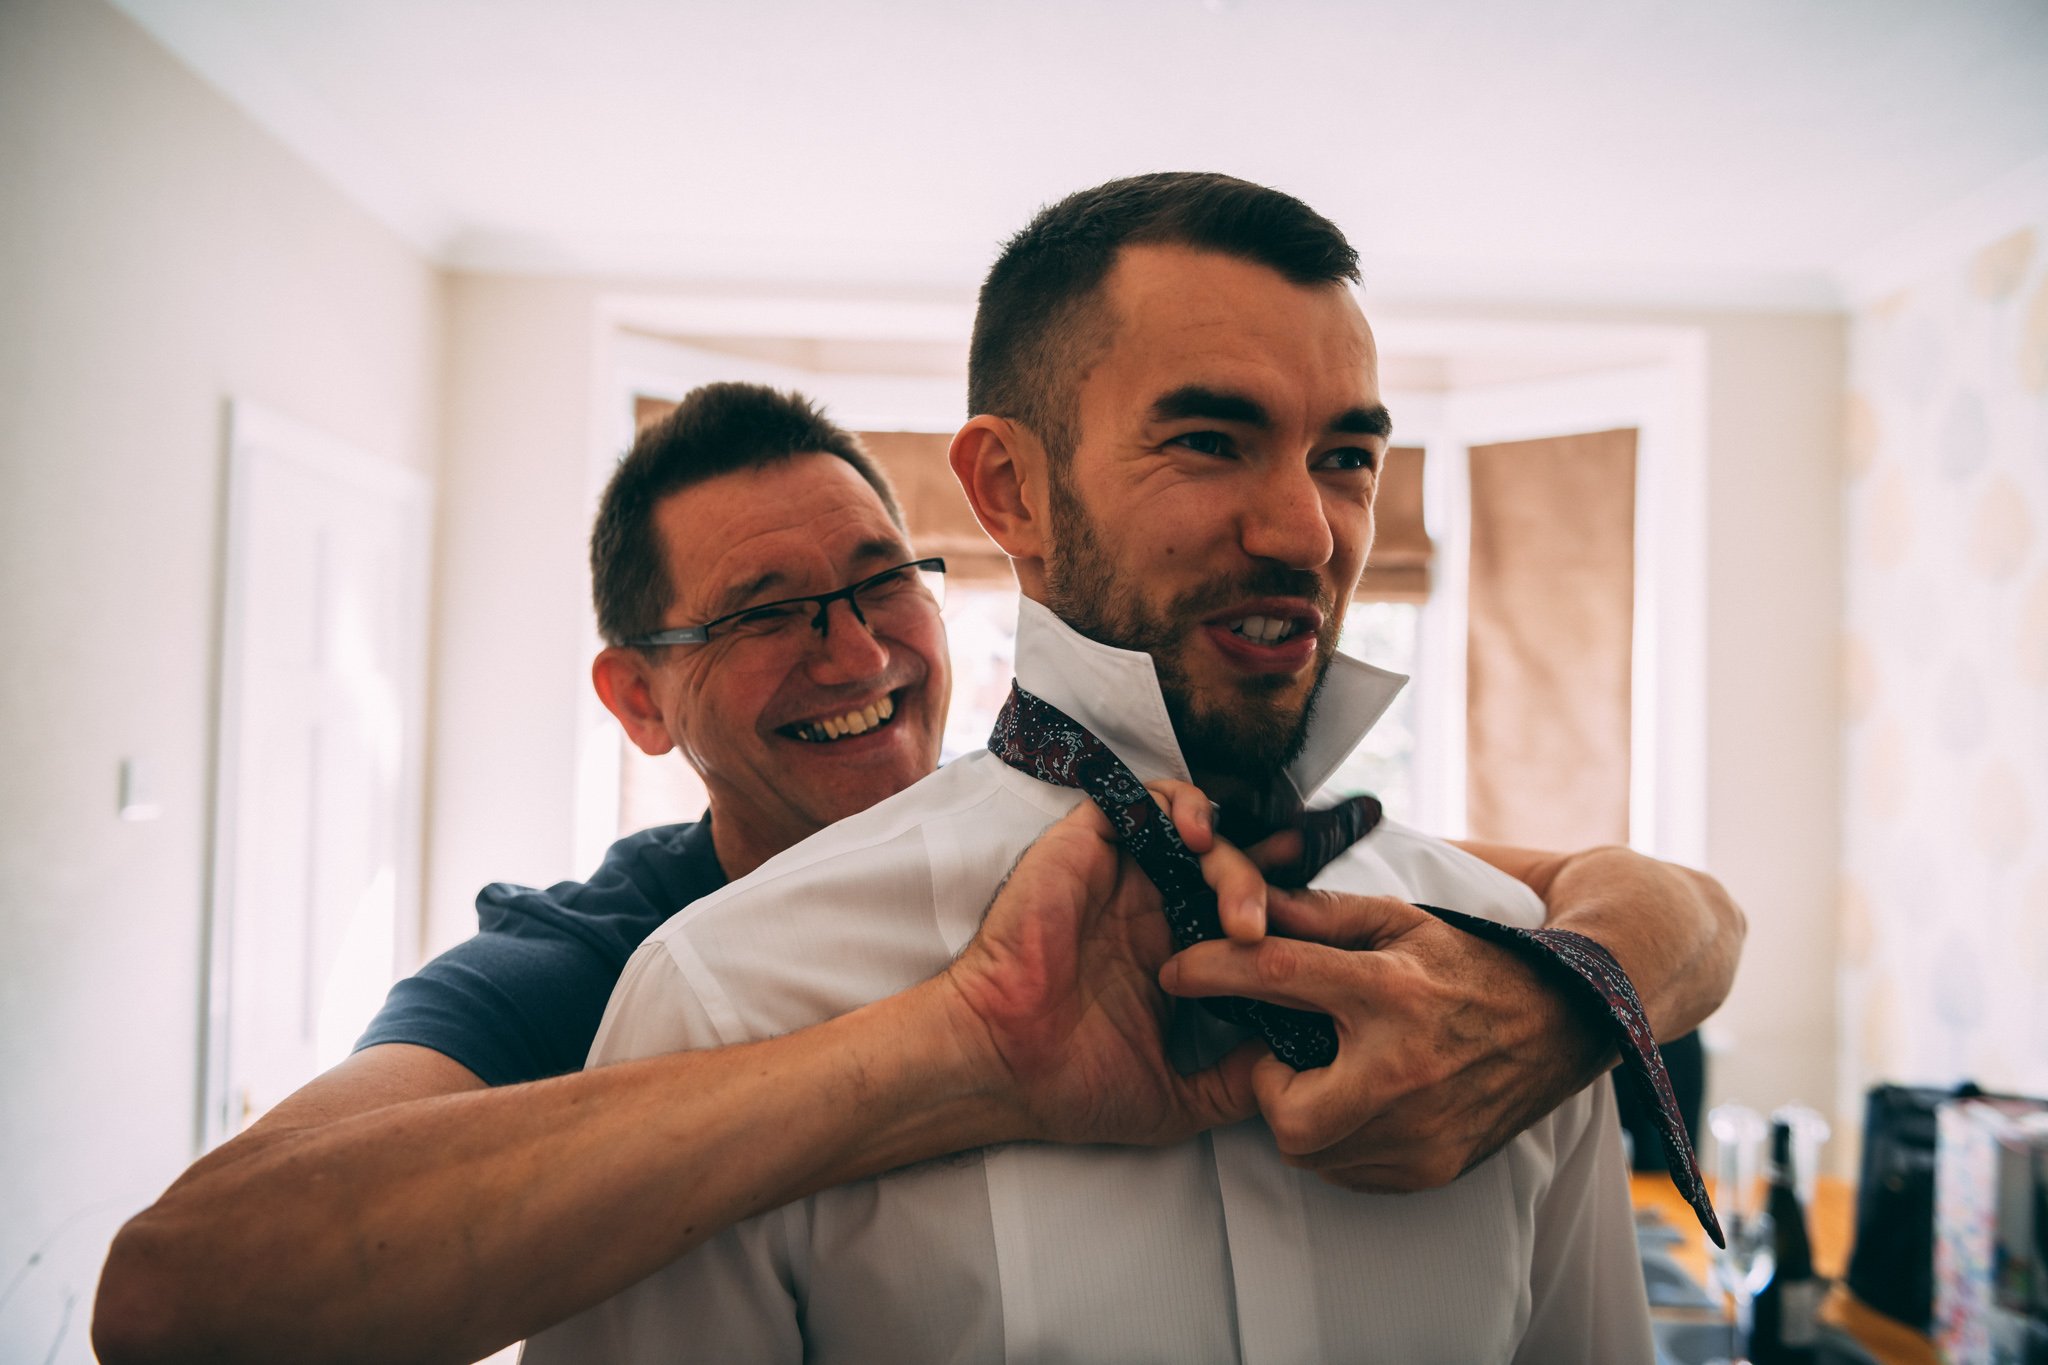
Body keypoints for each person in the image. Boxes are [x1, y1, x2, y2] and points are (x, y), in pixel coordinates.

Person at [96, 359, 1739, 1361]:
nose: (853, 651)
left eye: (880, 579)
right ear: (634, 699)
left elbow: (1616, 887)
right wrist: (949, 1060)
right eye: (760, 612)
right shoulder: (586, 963)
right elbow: (184, 1304)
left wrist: (1560, 1008)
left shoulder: (1076, 834)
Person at [524, 174, 1729, 1362]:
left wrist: (1587, 981)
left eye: (1346, 456)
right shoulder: (727, 1001)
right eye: (1209, 441)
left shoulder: (1512, 994)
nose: (1308, 532)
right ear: (1009, 490)